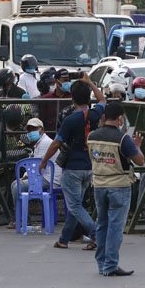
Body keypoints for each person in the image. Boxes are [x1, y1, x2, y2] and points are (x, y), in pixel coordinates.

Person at [40, 80, 101, 251]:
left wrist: (44, 161)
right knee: (77, 204)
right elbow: (103, 100)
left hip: (73, 167)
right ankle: (64, 239)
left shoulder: (70, 120)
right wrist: (90, 83)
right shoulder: (95, 114)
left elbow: (55, 144)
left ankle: (96, 234)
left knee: (74, 205)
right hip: (89, 166)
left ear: (72, 98)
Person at [88, 101, 145, 276]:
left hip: (99, 184)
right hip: (118, 185)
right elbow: (140, 160)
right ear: (120, 118)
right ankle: (111, 265)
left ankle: (101, 264)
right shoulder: (122, 139)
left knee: (102, 225)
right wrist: (137, 146)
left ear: (104, 117)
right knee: (115, 227)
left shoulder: (92, 136)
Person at [10, 118, 60, 203]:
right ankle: (21, 213)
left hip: (49, 179)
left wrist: (27, 176)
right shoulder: (38, 143)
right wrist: (25, 175)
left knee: (17, 186)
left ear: (42, 130)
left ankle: (21, 214)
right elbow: (33, 163)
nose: (31, 132)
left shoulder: (45, 142)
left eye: (34, 129)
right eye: (29, 130)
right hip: (43, 176)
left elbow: (37, 165)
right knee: (15, 183)